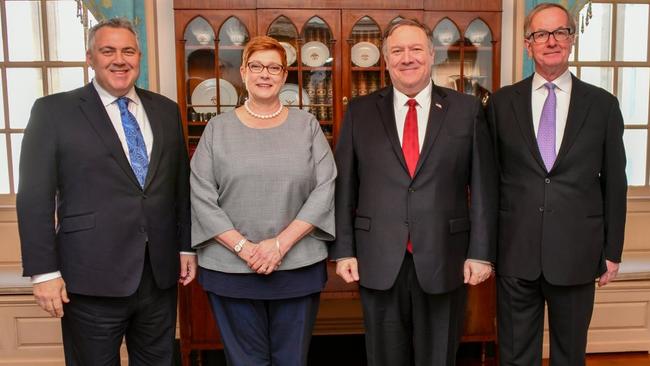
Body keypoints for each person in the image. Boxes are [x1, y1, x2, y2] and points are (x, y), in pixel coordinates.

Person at [16, 18, 195, 365]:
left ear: (139, 56)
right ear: (90, 57)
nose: (119, 59)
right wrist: (44, 273)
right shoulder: (53, 111)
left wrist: (186, 246)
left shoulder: (165, 110)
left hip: (158, 274)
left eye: (128, 51)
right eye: (108, 50)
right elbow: (34, 198)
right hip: (89, 277)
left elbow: (179, 187)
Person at [330, 19, 497, 366]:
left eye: (416, 49)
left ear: (431, 54)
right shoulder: (360, 112)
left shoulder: (466, 110)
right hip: (377, 260)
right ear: (386, 61)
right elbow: (345, 185)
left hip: (445, 258)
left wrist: (480, 253)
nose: (408, 58)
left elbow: (483, 187)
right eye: (397, 51)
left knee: (439, 358)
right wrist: (343, 250)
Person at [486, 3, 627, 365]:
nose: (551, 41)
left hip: (577, 255)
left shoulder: (603, 106)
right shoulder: (500, 105)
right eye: (540, 34)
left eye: (560, 32)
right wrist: (484, 250)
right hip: (515, 253)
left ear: (572, 39)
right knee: (516, 356)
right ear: (527, 45)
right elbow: (487, 183)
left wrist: (612, 251)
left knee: (570, 356)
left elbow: (615, 185)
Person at [190, 35, 336, 366]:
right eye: (256, 66)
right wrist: (244, 248)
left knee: (291, 360)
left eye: (274, 67)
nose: (264, 74)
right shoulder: (217, 128)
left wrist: (279, 245)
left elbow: (325, 187)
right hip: (231, 268)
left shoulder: (307, 125)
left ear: (285, 75)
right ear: (243, 72)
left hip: (296, 265)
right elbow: (201, 196)